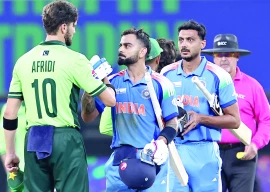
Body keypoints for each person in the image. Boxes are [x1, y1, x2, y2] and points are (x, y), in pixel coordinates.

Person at [3, 1, 116, 192]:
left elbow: (10, 113)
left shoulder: (23, 61)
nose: (74, 31)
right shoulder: (75, 60)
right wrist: (105, 80)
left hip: (34, 139)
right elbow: (110, 100)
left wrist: (11, 153)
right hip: (65, 139)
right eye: (73, 26)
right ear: (64, 27)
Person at [81, 27, 179, 192]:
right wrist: (90, 86)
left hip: (151, 159)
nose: (120, 49)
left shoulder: (161, 84)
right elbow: (88, 116)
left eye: (127, 46)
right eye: (120, 45)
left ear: (142, 52)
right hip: (120, 162)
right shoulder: (113, 82)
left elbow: (172, 124)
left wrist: (161, 143)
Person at [160, 20, 241, 192]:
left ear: (202, 44)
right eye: (181, 40)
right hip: (174, 150)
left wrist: (201, 118)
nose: (184, 44)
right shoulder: (166, 73)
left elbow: (234, 121)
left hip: (205, 151)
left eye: (190, 40)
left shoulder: (219, 76)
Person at [202, 34, 270, 192]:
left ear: (237, 56)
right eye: (219, 54)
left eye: (229, 54)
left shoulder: (252, 86)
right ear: (213, 58)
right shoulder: (203, 86)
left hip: (242, 153)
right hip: (210, 152)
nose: (224, 59)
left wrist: (255, 144)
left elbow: (267, 120)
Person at [0, 103, 26, 192]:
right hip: (17, 173)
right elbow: (3, 145)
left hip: (40, 172)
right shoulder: (8, 108)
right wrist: (11, 173)